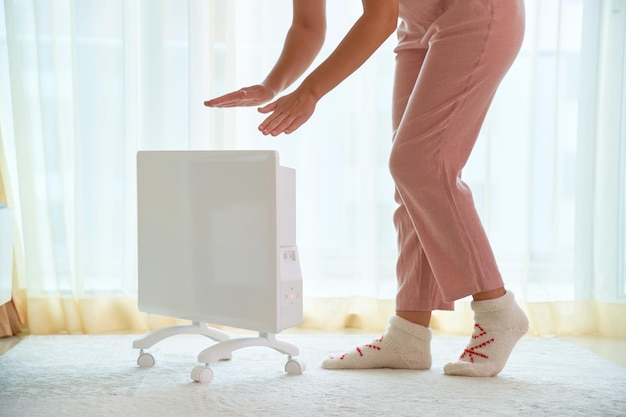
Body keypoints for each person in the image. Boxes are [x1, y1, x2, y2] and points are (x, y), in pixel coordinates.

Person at [204, 0, 529, 377]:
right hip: (419, 26)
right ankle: (408, 334)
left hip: (477, 12)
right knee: (412, 181)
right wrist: (271, 84)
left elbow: (379, 18)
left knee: (420, 166)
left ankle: (497, 310)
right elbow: (308, 25)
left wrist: (309, 92)